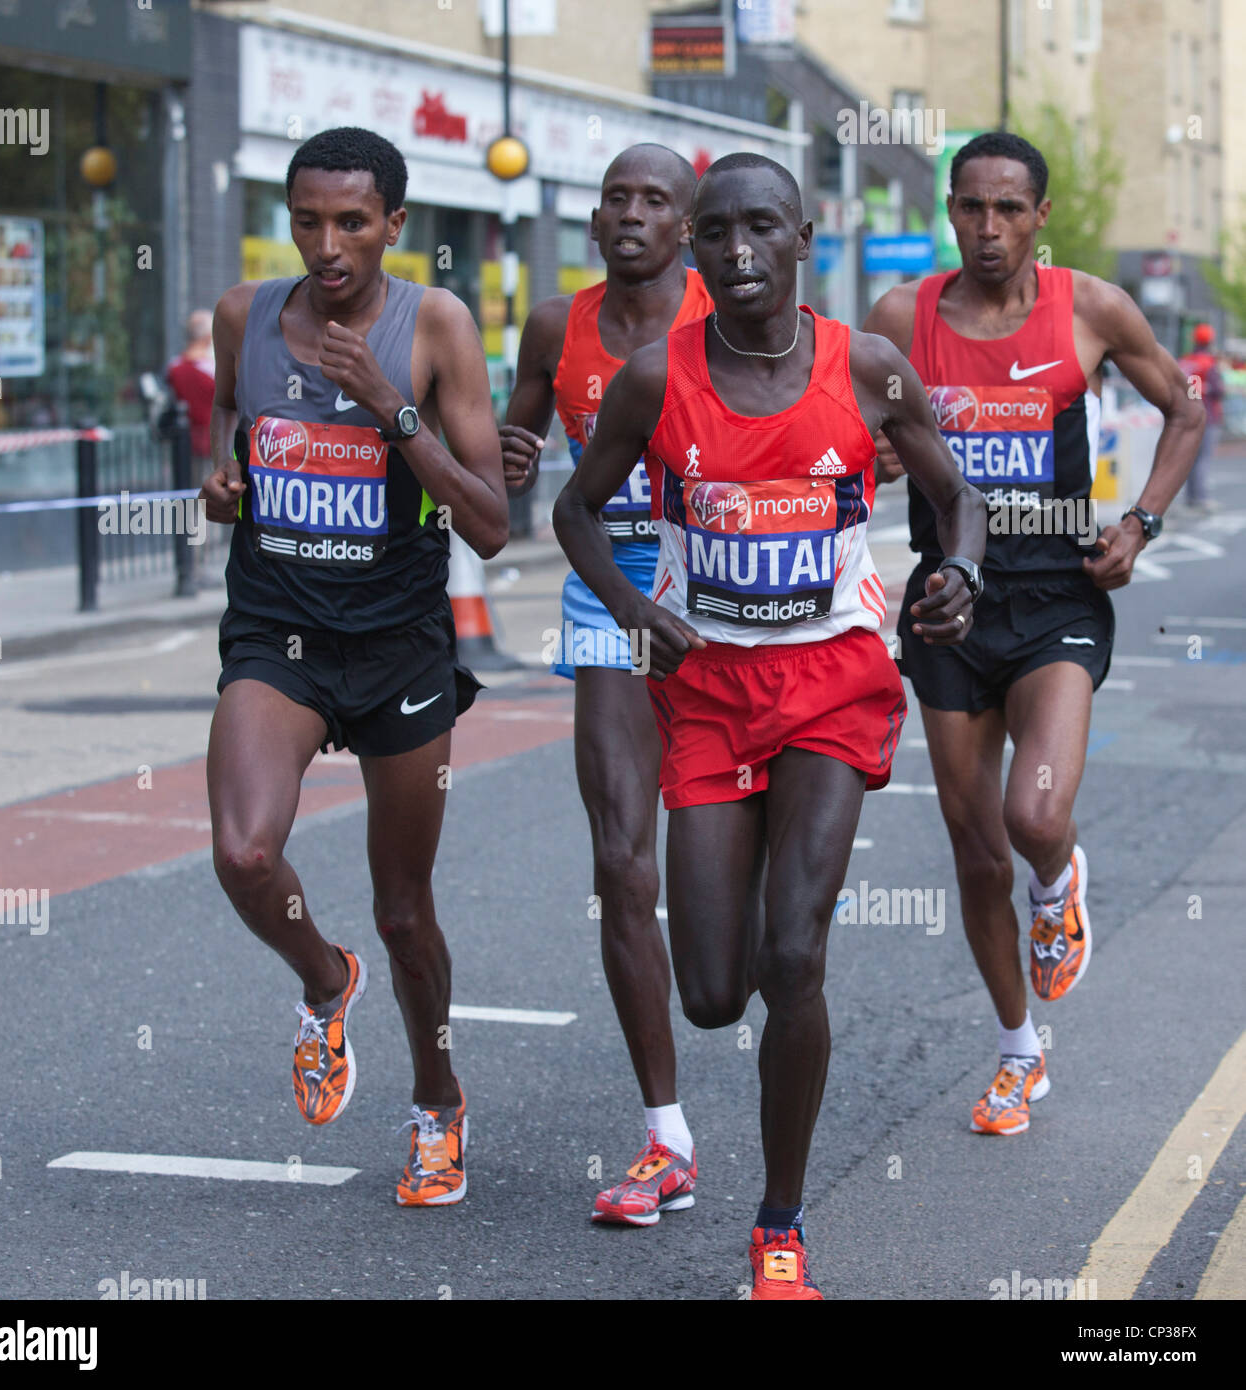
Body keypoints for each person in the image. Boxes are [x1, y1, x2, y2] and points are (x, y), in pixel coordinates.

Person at [554, 153, 985, 1298]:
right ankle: (746, 906)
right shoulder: (654, 378)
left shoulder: (870, 367)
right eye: (717, 235)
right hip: (705, 689)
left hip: (833, 682)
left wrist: (962, 578)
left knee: (794, 951)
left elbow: (957, 496)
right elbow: (573, 505)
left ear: (801, 237)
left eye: (761, 230)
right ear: (694, 248)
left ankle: (779, 1223)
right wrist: (634, 606)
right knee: (711, 991)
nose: (737, 253)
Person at [865, 131, 1202, 1138]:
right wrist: (876, 460)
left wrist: (1138, 521)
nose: (987, 227)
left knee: (1035, 814)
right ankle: (1019, 1052)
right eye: (970, 206)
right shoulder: (899, 316)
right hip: (946, 603)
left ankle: (1057, 884)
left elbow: (1182, 408)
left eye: (1008, 208)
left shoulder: (1088, 308)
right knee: (974, 854)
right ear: (950, 212)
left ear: (1038, 217)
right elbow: (850, 430)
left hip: (1055, 590)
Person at [198, 126, 507, 1207]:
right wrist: (220, 481)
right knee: (243, 854)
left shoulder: (436, 327)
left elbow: (489, 523)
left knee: (405, 908)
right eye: (307, 221)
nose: (327, 245)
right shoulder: (246, 317)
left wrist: (389, 405)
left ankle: (437, 1102)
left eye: (352, 223)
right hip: (275, 634)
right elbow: (230, 440)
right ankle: (325, 985)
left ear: (394, 226)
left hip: (397, 647)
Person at [502, 144, 712, 1226]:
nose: (633, 216)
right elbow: (521, 436)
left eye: (655, 202)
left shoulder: (734, 311)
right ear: (593, 221)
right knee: (622, 856)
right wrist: (502, 453)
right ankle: (664, 1134)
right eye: (617, 200)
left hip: (724, 591)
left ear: (688, 225)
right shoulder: (557, 324)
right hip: (607, 592)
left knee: (731, 878)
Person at [1177, 323, 1224, 509]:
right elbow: (1219, 390)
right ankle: (1200, 497)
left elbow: (1186, 389)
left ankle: (1191, 496)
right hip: (1207, 415)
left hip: (1188, 414)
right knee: (1203, 458)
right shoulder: (1209, 363)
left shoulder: (1186, 360)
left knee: (1191, 458)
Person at [166, 310, 217, 464]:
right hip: (214, 443)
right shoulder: (213, 369)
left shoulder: (173, 368)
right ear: (209, 337)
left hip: (184, 444)